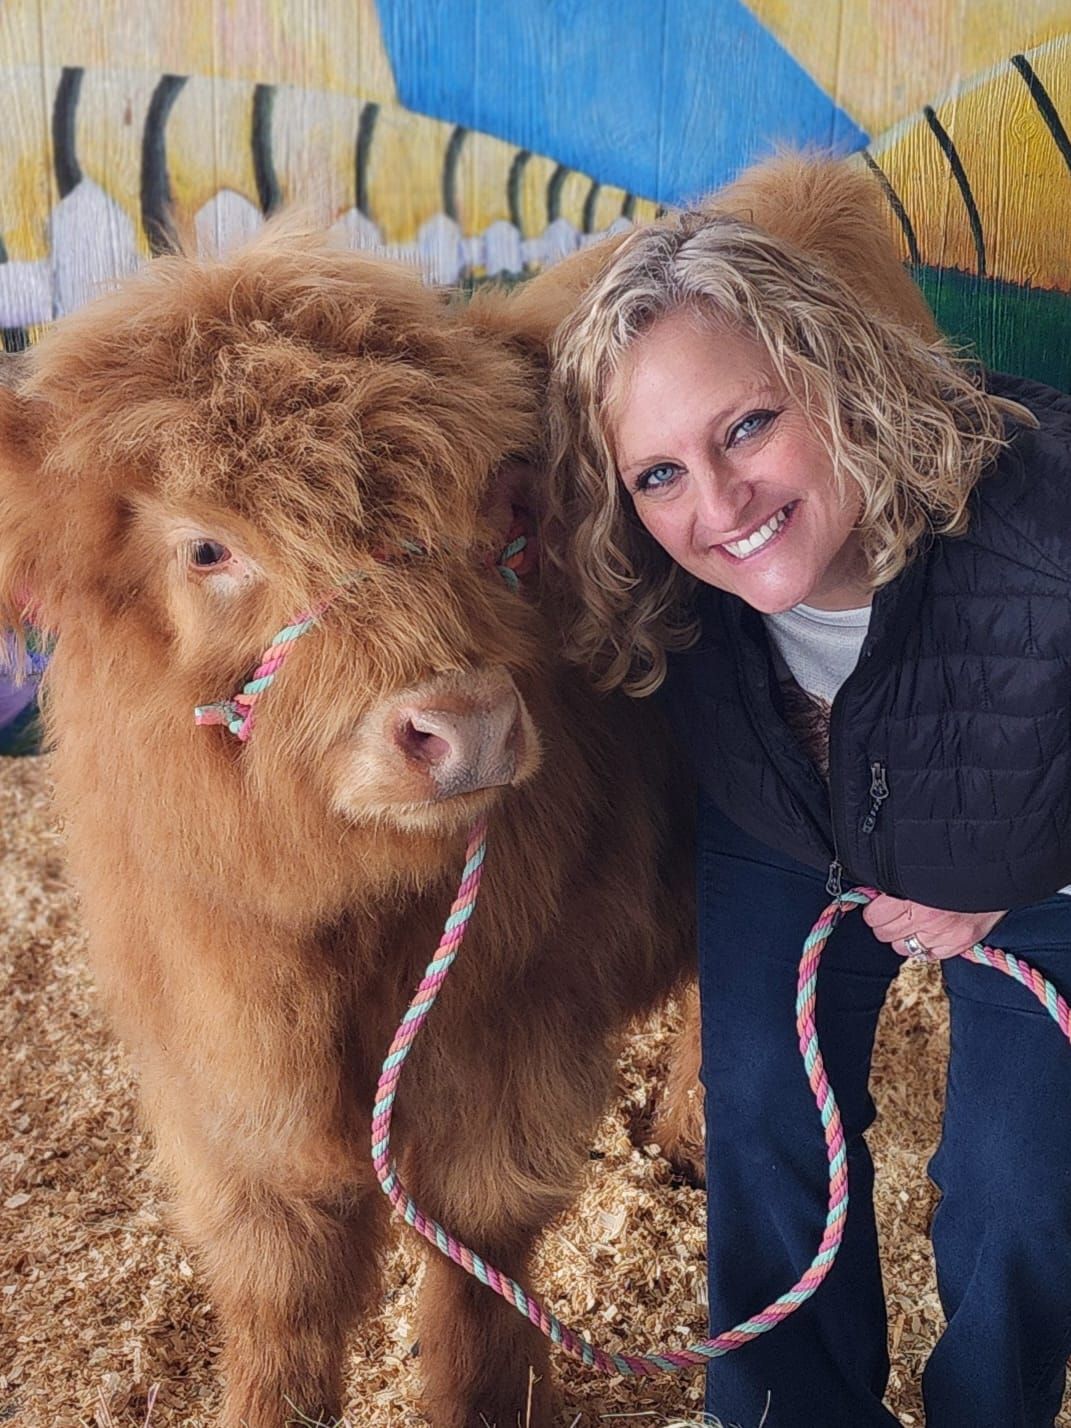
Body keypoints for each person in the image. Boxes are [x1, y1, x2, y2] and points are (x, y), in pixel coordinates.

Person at [543, 177, 1071, 1428]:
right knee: (765, 1115)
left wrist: (1016, 866)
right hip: (789, 830)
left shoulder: (1048, 520)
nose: (717, 509)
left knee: (1015, 1181)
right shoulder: (658, 589)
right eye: (659, 472)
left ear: (835, 373)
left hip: (1037, 862)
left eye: (745, 428)